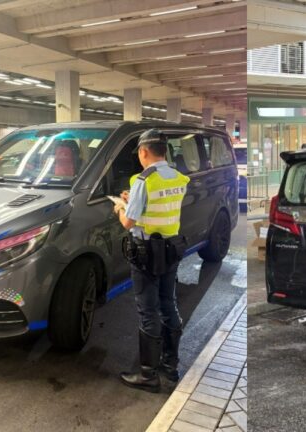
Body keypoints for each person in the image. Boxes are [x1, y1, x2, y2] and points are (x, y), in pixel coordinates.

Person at [114, 129, 190, 393]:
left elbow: (128, 222)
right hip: (171, 249)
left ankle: (148, 375)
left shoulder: (143, 180)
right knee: (168, 303)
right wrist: (133, 199)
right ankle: (170, 366)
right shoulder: (178, 177)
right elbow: (161, 204)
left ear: (144, 151)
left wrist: (121, 207)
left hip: (146, 252)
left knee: (148, 310)